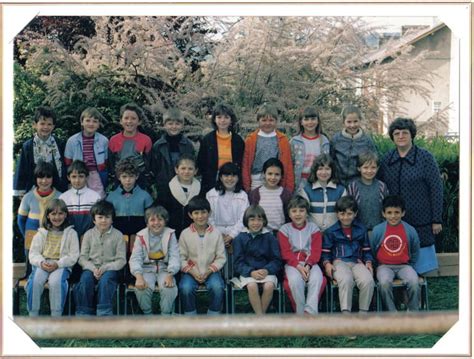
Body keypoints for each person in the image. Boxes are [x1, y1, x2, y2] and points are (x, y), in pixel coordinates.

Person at [378, 118, 443, 274]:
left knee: (420, 268)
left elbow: (436, 189)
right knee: (396, 260)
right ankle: (399, 296)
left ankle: (418, 298)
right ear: (392, 137)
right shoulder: (387, 159)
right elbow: (380, 188)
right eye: (397, 133)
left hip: (421, 219)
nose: (401, 136)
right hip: (394, 220)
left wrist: (436, 219)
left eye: (405, 133)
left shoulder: (425, 158)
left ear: (412, 135)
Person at [322, 196, 375, 313]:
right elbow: (325, 252)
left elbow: (366, 249)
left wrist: (368, 262)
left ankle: (363, 313)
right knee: (346, 279)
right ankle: (346, 314)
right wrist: (327, 264)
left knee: (368, 280)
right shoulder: (331, 231)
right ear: (337, 214)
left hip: (357, 261)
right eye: (342, 214)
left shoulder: (361, 229)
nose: (345, 217)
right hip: (339, 262)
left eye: (349, 214)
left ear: (355, 214)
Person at [26, 199, 79, 316]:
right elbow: (33, 254)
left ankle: (56, 315)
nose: (57, 217)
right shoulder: (41, 233)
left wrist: (58, 264)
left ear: (65, 215)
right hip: (43, 264)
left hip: (60, 265)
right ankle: (33, 314)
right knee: (35, 281)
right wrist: (41, 263)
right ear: (48, 216)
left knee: (56, 282)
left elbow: (73, 255)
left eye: (60, 213)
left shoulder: (71, 233)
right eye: (53, 214)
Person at [74, 200, 126, 316]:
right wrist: (92, 268)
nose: (103, 220)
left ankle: (104, 313)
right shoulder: (88, 235)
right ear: (94, 219)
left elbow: (121, 260)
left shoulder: (118, 235)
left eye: (107, 217)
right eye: (100, 217)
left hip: (110, 269)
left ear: (112, 219)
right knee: (85, 280)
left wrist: (106, 267)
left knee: (106, 281)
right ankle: (84, 312)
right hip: (91, 268)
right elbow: (82, 258)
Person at [370, 195, 420, 311]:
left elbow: (415, 251)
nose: (393, 216)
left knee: (413, 282)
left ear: (403, 213)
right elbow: (373, 250)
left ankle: (412, 312)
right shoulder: (378, 230)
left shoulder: (410, 230)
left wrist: (410, 265)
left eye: (397, 212)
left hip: (404, 266)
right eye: (389, 212)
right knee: (384, 283)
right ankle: (392, 314)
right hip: (384, 266)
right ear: (383, 213)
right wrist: (376, 266)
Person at [178, 197, 226, 315]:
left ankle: (213, 315)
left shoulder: (216, 233)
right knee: (185, 288)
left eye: (204, 212)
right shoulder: (185, 234)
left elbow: (221, 257)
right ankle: (191, 316)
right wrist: (193, 272)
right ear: (190, 215)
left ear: (209, 213)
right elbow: (181, 257)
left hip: (211, 271)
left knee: (217, 287)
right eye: (196, 213)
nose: (200, 216)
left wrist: (209, 271)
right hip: (191, 272)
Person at [277, 196, 325, 315]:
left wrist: (308, 266)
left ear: (307, 213)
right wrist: (298, 266)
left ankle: (310, 312)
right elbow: (286, 252)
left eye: (301, 210)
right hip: (292, 264)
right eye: (294, 211)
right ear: (289, 213)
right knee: (294, 281)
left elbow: (316, 251)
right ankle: (300, 313)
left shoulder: (313, 228)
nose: (298, 214)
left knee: (317, 279)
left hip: (311, 263)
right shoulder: (284, 230)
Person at [129, 206, 180, 315]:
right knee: (141, 288)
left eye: (160, 219)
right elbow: (135, 258)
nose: (156, 223)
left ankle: (165, 315)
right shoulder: (140, 236)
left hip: (165, 269)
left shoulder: (170, 234)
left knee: (168, 288)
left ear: (165, 221)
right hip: (146, 269)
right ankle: (148, 314)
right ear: (147, 223)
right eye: (152, 220)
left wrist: (171, 273)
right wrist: (138, 276)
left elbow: (175, 255)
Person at [232, 205, 282, 315]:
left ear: (264, 221)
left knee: (269, 286)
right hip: (248, 273)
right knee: (252, 286)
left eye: (259, 219)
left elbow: (277, 260)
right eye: (252, 219)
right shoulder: (240, 238)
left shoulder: (270, 237)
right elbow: (238, 262)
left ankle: (259, 318)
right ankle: (261, 318)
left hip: (266, 271)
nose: (256, 223)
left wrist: (267, 270)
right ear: (246, 221)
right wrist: (250, 272)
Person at [17, 161, 62, 276]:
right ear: (35, 178)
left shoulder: (60, 196)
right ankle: (29, 280)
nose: (44, 181)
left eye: (48, 177)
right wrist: (27, 234)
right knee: (31, 261)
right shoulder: (28, 197)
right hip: (31, 235)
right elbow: (21, 220)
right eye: (40, 177)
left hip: (53, 237)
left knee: (50, 260)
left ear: (53, 178)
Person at [14, 105, 67, 196]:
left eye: (49, 124)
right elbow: (22, 169)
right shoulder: (28, 146)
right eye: (42, 123)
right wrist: (21, 191)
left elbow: (64, 167)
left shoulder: (59, 144)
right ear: (35, 125)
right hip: (35, 190)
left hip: (57, 189)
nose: (46, 127)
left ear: (53, 126)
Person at [241, 104, 294, 192]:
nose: (267, 123)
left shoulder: (283, 140)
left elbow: (288, 165)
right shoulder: (251, 139)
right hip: (256, 179)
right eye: (264, 120)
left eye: (271, 120)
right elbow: (245, 164)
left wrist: (288, 188)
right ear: (258, 121)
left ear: (276, 121)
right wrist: (247, 186)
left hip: (275, 179)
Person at [106, 158, 153, 254]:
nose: (128, 180)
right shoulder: (111, 197)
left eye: (131, 176)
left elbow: (150, 218)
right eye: (124, 176)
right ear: (119, 177)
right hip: (118, 235)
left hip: (139, 235)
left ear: (137, 176)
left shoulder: (145, 196)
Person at [197, 103, 245, 194]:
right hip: (212, 182)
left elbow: (241, 163)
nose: (223, 120)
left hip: (232, 181)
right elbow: (201, 163)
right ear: (214, 119)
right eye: (219, 117)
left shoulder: (238, 141)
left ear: (231, 120)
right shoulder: (207, 140)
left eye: (226, 117)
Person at [64, 107, 109, 198]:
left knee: (97, 198)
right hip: (78, 175)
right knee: (78, 198)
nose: (91, 124)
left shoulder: (103, 140)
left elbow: (106, 161)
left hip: (95, 175)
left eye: (95, 121)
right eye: (88, 120)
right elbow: (68, 163)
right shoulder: (72, 141)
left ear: (99, 124)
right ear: (82, 122)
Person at [108, 103, 153, 190]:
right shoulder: (113, 140)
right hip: (120, 179)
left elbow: (148, 163)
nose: (129, 121)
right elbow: (111, 162)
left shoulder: (146, 140)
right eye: (126, 118)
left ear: (139, 121)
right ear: (121, 121)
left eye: (133, 118)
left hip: (140, 179)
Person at [206, 162, 249, 251]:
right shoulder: (211, 194)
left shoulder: (242, 195)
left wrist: (231, 235)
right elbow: (209, 217)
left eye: (233, 176)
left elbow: (243, 218)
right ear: (221, 177)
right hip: (215, 231)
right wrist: (219, 234)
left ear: (238, 178)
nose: (230, 179)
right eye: (226, 175)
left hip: (237, 233)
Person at [298, 154, 347, 233]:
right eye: (320, 169)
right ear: (315, 171)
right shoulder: (306, 191)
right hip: (313, 233)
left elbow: (344, 214)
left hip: (336, 234)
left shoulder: (341, 191)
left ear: (332, 170)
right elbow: (304, 215)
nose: (324, 172)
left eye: (327, 169)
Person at [151, 107, 195, 194]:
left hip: (183, 185)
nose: (174, 127)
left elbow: (192, 164)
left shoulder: (188, 145)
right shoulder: (158, 146)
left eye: (177, 124)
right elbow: (154, 167)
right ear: (164, 125)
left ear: (182, 125)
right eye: (170, 124)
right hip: (164, 186)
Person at [157, 153, 201, 238]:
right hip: (170, 234)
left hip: (194, 235)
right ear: (176, 170)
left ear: (196, 171)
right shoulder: (166, 189)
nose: (186, 172)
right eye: (183, 168)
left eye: (190, 169)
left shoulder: (201, 190)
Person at [330, 105, 376, 185]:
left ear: (360, 121)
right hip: (338, 183)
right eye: (349, 122)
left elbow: (374, 160)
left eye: (355, 121)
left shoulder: (367, 141)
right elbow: (331, 159)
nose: (352, 125)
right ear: (343, 122)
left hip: (359, 183)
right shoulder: (336, 139)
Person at [347, 152, 389, 234]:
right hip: (358, 231)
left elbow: (386, 208)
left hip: (379, 230)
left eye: (373, 167)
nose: (369, 171)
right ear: (359, 168)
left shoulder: (382, 186)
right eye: (365, 167)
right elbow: (349, 209)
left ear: (378, 168)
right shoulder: (353, 186)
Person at [290, 106, 330, 190]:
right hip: (300, 181)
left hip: (318, 180)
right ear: (301, 122)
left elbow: (327, 163)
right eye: (306, 119)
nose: (310, 122)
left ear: (318, 121)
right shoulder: (295, 141)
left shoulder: (324, 141)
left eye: (313, 119)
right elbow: (290, 164)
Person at [59, 160, 101, 239]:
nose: (77, 180)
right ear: (68, 177)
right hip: (69, 238)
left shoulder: (95, 197)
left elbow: (98, 221)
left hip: (90, 238)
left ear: (86, 177)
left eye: (81, 176)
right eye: (74, 177)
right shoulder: (63, 198)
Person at [248, 158, 292, 234]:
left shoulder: (286, 194)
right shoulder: (255, 194)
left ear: (281, 176)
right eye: (270, 174)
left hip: (280, 234)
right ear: (264, 174)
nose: (273, 178)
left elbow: (289, 217)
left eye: (277, 174)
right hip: (260, 233)